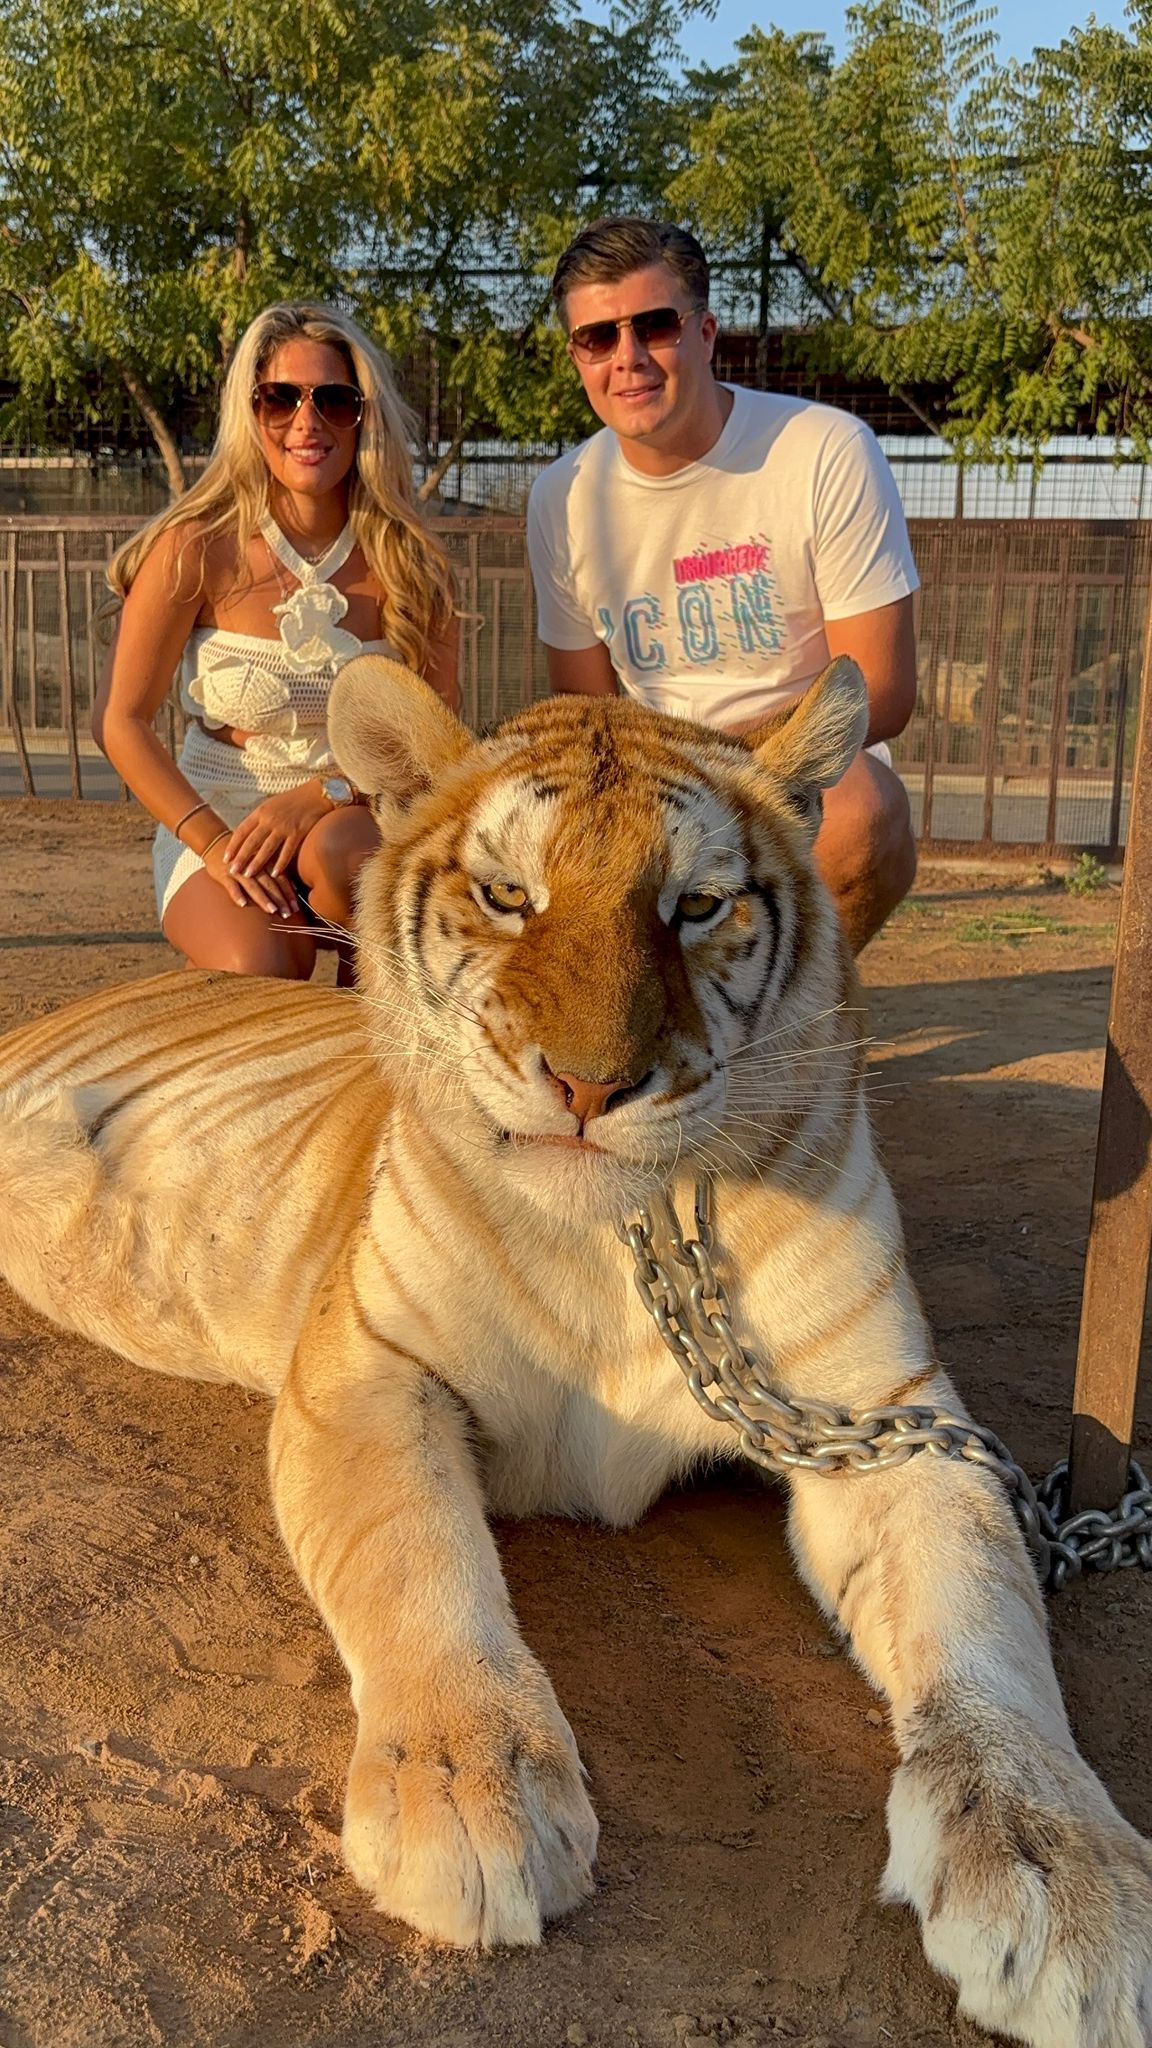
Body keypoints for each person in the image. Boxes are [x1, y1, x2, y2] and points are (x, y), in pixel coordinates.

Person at [526, 217, 919, 951]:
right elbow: (582, 708)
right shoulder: (561, 497)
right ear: (576, 355)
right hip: (648, 784)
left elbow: (884, 692)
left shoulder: (824, 450)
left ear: (705, 333)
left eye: (656, 325)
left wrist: (721, 770)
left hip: (793, 769)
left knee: (861, 815)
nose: (629, 357)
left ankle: (792, 1024)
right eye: (598, 338)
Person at [94, 302, 458, 981]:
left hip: (356, 814)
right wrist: (211, 842)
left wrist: (324, 792)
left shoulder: (412, 562)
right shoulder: (195, 548)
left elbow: (438, 741)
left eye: (334, 400)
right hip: (220, 818)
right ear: (250, 412)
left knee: (350, 860)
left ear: (363, 415)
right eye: (280, 398)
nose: (306, 422)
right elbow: (120, 721)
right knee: (263, 965)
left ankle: (371, 1008)